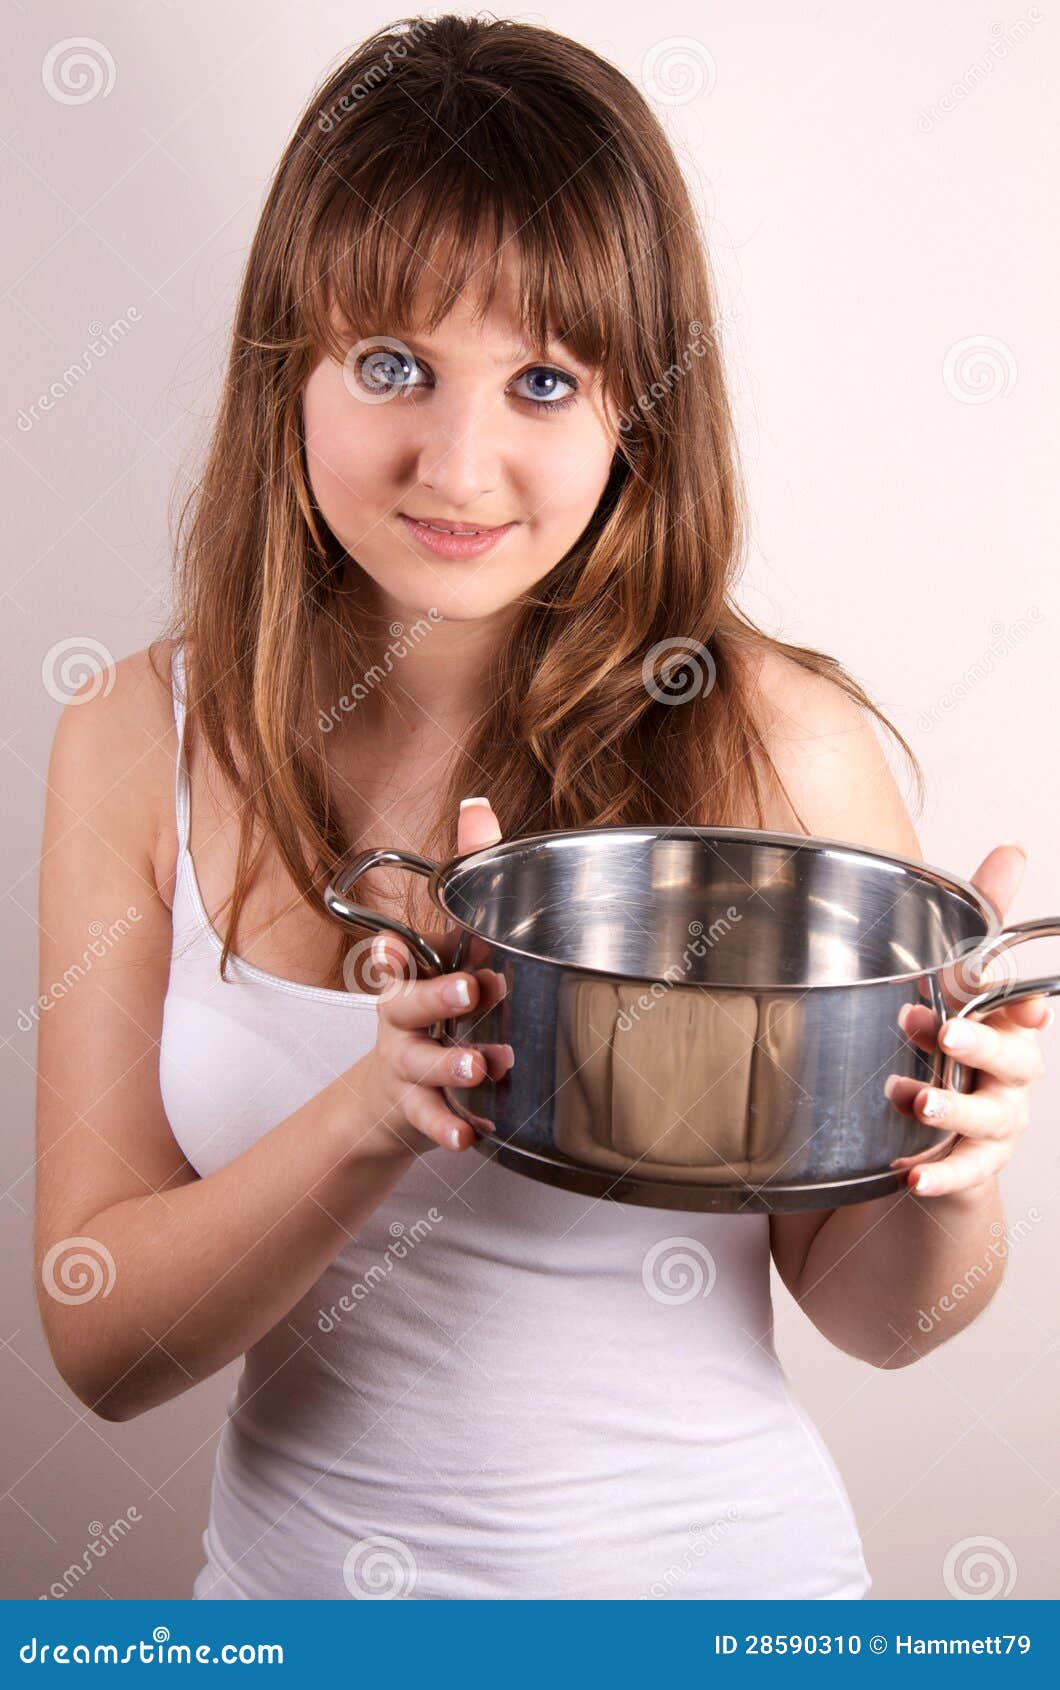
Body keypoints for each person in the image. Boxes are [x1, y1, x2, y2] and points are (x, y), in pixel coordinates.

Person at [34, 14, 1051, 1601]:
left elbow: (880, 1315)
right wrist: (374, 1113)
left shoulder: (774, 743)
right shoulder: (131, 737)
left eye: (544, 380)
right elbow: (100, 1342)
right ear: (285, 369)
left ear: (635, 409)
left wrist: (953, 1167)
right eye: (391, 365)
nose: (460, 465)